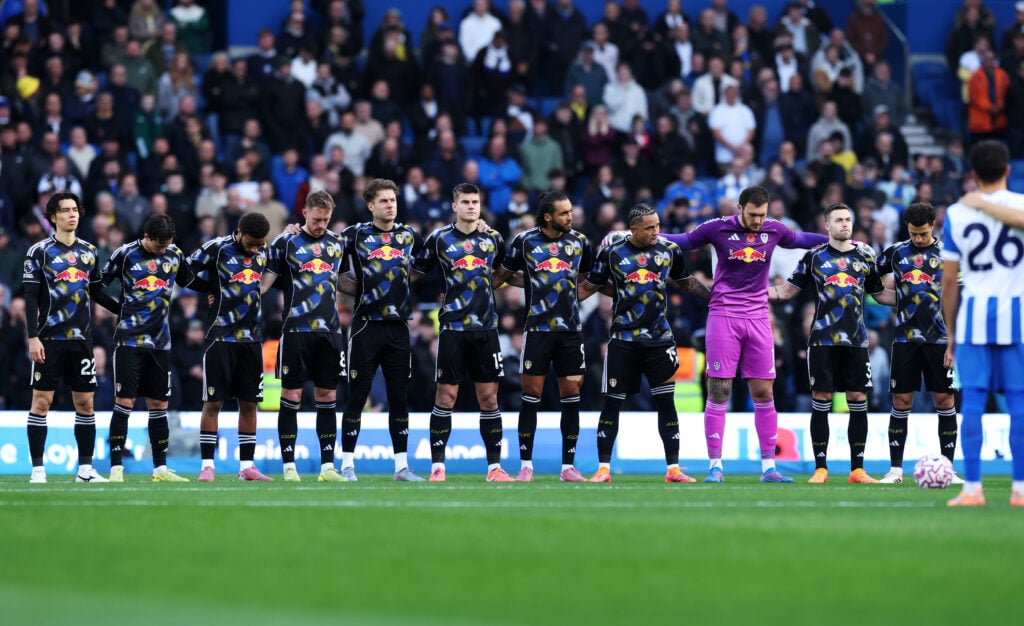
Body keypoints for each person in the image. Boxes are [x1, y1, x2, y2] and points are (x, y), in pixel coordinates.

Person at [660, 185, 827, 483]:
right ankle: (715, 466)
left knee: (764, 392)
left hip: (760, 317)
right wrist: (646, 237)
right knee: (719, 389)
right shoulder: (716, 228)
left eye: (762, 215)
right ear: (739, 208)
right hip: (724, 315)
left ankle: (769, 468)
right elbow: (683, 241)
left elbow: (801, 240)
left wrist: (836, 240)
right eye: (753, 214)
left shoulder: (774, 230)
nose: (758, 220)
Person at [579, 203, 710, 483]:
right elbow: (592, 285)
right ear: (634, 229)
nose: (656, 231)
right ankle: (603, 468)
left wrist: (714, 297)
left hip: (659, 339)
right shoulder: (612, 252)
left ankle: (673, 468)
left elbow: (685, 282)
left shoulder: (668, 250)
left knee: (666, 403)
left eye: (658, 225)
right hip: (623, 339)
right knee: (612, 404)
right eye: (650, 227)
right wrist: (562, 299)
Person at [771, 202, 892, 484]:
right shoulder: (813, 257)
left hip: (856, 341)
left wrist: (916, 296)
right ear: (827, 226)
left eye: (848, 219)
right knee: (822, 400)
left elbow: (879, 294)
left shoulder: (865, 254)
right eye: (838, 220)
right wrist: (753, 293)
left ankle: (857, 470)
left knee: (858, 400)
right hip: (822, 340)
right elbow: (787, 291)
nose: (845, 224)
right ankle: (821, 469)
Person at [411, 183, 515, 482]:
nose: (471, 206)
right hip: (453, 329)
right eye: (465, 202)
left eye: (475, 202)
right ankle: (438, 467)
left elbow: (501, 273)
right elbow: (415, 274)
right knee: (445, 397)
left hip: (486, 328)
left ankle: (494, 468)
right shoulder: (439, 239)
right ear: (454, 206)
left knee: (490, 399)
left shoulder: (493, 237)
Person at [941, 140, 1024, 507]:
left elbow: (948, 282)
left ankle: (972, 488)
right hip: (1017, 317)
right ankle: (1019, 489)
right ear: (1008, 169)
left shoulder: (958, 213)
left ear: (973, 174)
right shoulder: (1020, 203)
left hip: (973, 316)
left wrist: (951, 333)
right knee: (1020, 403)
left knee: (972, 400)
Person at [491, 191, 594, 482]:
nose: (570, 217)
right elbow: (502, 275)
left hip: (571, 331)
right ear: (548, 216)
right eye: (564, 213)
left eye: (570, 211)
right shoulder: (525, 241)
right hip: (537, 330)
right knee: (530, 396)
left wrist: (571, 295)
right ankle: (526, 465)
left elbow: (587, 279)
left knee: (571, 397)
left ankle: (568, 467)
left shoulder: (580, 242)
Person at [24, 191, 120, 484]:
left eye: (75, 209)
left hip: (81, 341)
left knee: (86, 405)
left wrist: (124, 310)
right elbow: (29, 298)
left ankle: (85, 470)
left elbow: (97, 292)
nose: (72, 214)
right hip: (49, 339)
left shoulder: (89, 252)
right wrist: (32, 337)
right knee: (41, 403)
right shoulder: (39, 252)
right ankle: (38, 470)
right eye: (65, 210)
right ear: (52, 217)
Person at [337, 179, 426, 482]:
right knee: (357, 396)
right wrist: (360, 288)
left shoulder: (409, 236)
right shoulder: (354, 235)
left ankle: (402, 467)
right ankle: (347, 464)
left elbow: (423, 266)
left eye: (393, 200)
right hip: (365, 327)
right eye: (384, 200)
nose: (390, 204)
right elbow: (326, 262)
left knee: (399, 397)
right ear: (371, 205)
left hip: (398, 327)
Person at [262, 189, 347, 483]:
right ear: (305, 213)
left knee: (327, 396)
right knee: (292, 396)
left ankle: (327, 467)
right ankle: (289, 466)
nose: (321, 224)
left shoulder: (338, 244)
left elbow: (346, 281)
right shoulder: (286, 242)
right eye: (317, 218)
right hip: (296, 330)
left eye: (326, 219)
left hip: (330, 332)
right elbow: (265, 281)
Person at [875, 202, 962, 484]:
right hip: (905, 339)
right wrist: (889, 299)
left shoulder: (949, 255)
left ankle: (948, 469)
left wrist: (955, 341)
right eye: (914, 234)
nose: (918, 239)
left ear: (933, 226)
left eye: (923, 233)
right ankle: (895, 471)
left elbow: (960, 301)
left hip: (940, 339)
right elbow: (872, 283)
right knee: (901, 400)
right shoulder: (896, 253)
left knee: (944, 399)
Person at [184, 212, 274, 482]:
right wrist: (210, 286)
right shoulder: (217, 248)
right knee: (213, 403)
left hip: (251, 339)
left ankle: (247, 466)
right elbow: (183, 272)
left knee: (249, 404)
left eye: (260, 244)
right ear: (239, 231)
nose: (256, 248)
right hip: (220, 337)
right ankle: (207, 466)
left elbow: (277, 271)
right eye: (252, 242)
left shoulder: (265, 250)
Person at [102, 214, 189, 482]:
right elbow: (97, 285)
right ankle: (116, 467)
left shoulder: (175, 254)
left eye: (167, 244)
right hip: (129, 341)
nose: (163, 250)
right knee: (125, 402)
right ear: (146, 237)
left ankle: (160, 469)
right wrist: (118, 309)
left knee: (159, 404)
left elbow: (188, 280)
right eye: (158, 245)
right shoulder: (125, 254)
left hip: (160, 343)